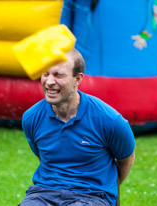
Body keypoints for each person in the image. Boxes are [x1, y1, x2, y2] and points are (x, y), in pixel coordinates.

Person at [19, 48, 135, 206]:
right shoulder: (31, 118)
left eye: (58, 75)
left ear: (78, 79)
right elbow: (43, 157)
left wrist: (108, 189)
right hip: (43, 193)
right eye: (46, 74)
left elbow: (126, 159)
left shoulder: (109, 120)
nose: (49, 81)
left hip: (92, 196)